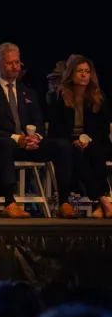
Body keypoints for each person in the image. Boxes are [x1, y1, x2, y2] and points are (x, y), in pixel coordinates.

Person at [0, 42, 78, 219]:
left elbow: (39, 123)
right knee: (6, 144)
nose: (15, 67)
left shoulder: (28, 92)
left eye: (17, 62)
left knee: (62, 146)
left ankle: (64, 201)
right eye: (9, 63)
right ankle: (9, 202)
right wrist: (16, 138)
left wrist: (35, 137)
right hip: (3, 144)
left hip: (28, 145)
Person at [47, 54, 112, 217]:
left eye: (87, 71)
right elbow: (55, 130)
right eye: (79, 71)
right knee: (76, 153)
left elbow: (103, 130)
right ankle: (102, 199)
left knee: (94, 151)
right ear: (71, 74)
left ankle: (99, 202)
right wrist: (73, 141)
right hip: (68, 142)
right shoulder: (60, 98)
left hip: (93, 141)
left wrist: (87, 140)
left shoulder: (98, 97)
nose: (84, 75)